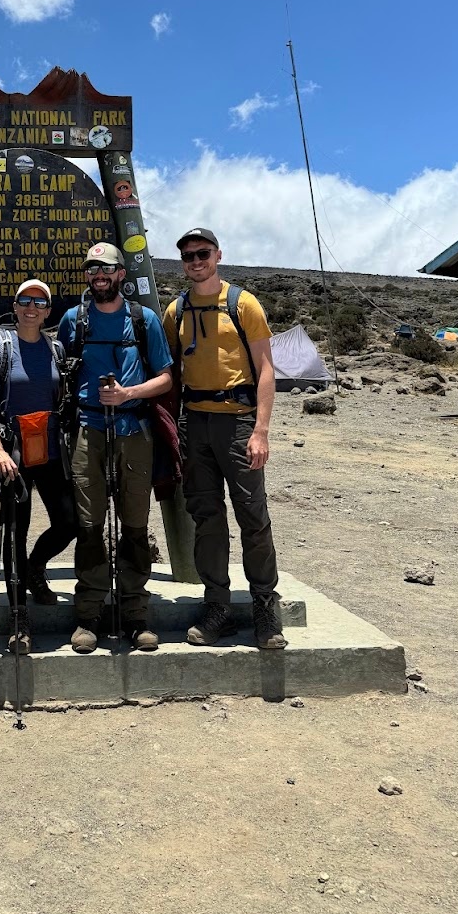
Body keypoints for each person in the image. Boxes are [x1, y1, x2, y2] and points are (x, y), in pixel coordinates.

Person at [163, 227, 286, 650]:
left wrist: (261, 431)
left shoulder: (243, 304)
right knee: (207, 520)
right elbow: (171, 374)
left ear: (218, 256)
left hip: (238, 423)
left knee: (253, 517)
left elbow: (266, 369)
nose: (196, 262)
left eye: (203, 254)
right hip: (194, 423)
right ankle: (216, 607)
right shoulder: (174, 311)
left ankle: (265, 608)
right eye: (188, 256)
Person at [57, 243, 173, 653]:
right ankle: (88, 615)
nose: (98, 275)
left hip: (133, 429)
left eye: (106, 268)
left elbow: (165, 378)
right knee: (89, 525)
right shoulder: (74, 320)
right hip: (88, 430)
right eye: (92, 268)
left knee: (135, 523)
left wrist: (129, 394)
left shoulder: (144, 321)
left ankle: (136, 613)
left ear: (121, 274)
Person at [0, 278, 78, 653]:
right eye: (25, 300)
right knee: (15, 527)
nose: (31, 307)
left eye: (39, 302)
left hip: (50, 448)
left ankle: (35, 567)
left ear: (49, 311)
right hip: (14, 451)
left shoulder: (56, 348)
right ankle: (19, 615)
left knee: (70, 521)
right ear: (15, 306)